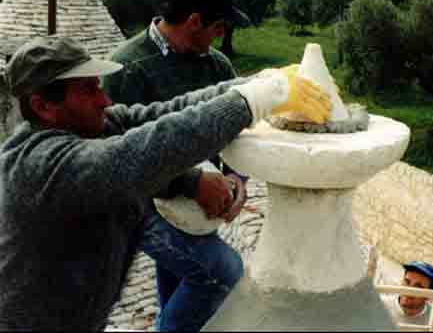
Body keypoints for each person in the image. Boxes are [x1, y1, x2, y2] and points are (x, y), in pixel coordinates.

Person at [0, 36, 331, 330]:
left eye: (98, 86)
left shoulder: (90, 127)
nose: (104, 100)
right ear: (43, 106)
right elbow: (150, 149)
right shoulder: (40, 166)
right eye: (88, 90)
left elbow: (166, 114)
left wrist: (255, 83)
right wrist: (253, 100)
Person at [102, 0, 252, 332]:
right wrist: (192, 183)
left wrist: (236, 178)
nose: (222, 36)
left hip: (196, 208)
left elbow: (237, 133)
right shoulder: (125, 69)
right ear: (194, 21)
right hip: (140, 207)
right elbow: (114, 159)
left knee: (183, 289)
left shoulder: (217, 65)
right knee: (220, 274)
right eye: (219, 27)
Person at [393, 261, 433, 331]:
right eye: (407, 282)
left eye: (418, 287)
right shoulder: (382, 306)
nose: (409, 290)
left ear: (429, 296)